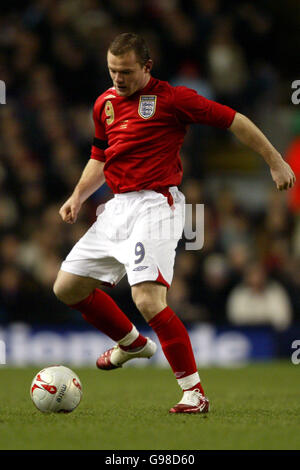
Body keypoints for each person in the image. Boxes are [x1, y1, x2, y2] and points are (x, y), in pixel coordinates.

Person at [53, 33, 295, 414]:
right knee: (66, 288)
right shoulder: (104, 104)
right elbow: (100, 156)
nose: (118, 79)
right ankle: (132, 343)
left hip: (156, 204)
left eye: (126, 71)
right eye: (112, 71)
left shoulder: (173, 99)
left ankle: (194, 393)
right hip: (117, 207)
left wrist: (275, 161)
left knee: (147, 298)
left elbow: (235, 120)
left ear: (147, 67)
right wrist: (78, 195)